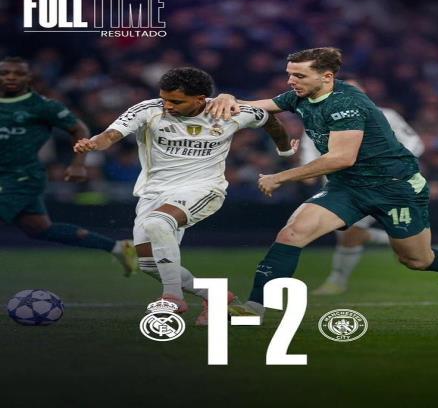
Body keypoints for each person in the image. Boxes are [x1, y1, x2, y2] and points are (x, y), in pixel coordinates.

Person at [207, 47, 438, 320]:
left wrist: (280, 177)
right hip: (347, 187)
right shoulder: (302, 94)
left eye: (299, 75)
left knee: (417, 260)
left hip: (395, 188)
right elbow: (260, 106)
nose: (291, 81)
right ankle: (254, 307)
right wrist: (228, 98)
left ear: (326, 77)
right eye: (290, 74)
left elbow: (342, 158)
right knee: (292, 234)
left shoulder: (346, 104)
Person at [74, 66, 295, 325]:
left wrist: (285, 151)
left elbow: (269, 119)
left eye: (176, 101)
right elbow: (111, 134)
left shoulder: (228, 112)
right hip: (154, 192)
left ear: (200, 99)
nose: (168, 105)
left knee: (158, 223)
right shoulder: (148, 110)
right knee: (149, 264)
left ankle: (172, 297)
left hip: (203, 188)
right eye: (164, 98)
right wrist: (93, 143)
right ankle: (214, 296)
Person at [0, 57, 137, 276]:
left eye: (18, 73)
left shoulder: (43, 106)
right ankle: (118, 248)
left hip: (21, 178)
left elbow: (79, 129)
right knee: (40, 228)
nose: (11, 78)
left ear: (28, 78)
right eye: (5, 73)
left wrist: (78, 163)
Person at [305, 78, 425, 295]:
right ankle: (393, 240)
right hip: (340, 186)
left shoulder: (385, 115)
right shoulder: (317, 119)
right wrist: (307, 170)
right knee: (347, 233)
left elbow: (415, 142)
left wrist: (395, 164)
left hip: (383, 184)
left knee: (350, 232)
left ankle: (337, 281)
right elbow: (309, 151)